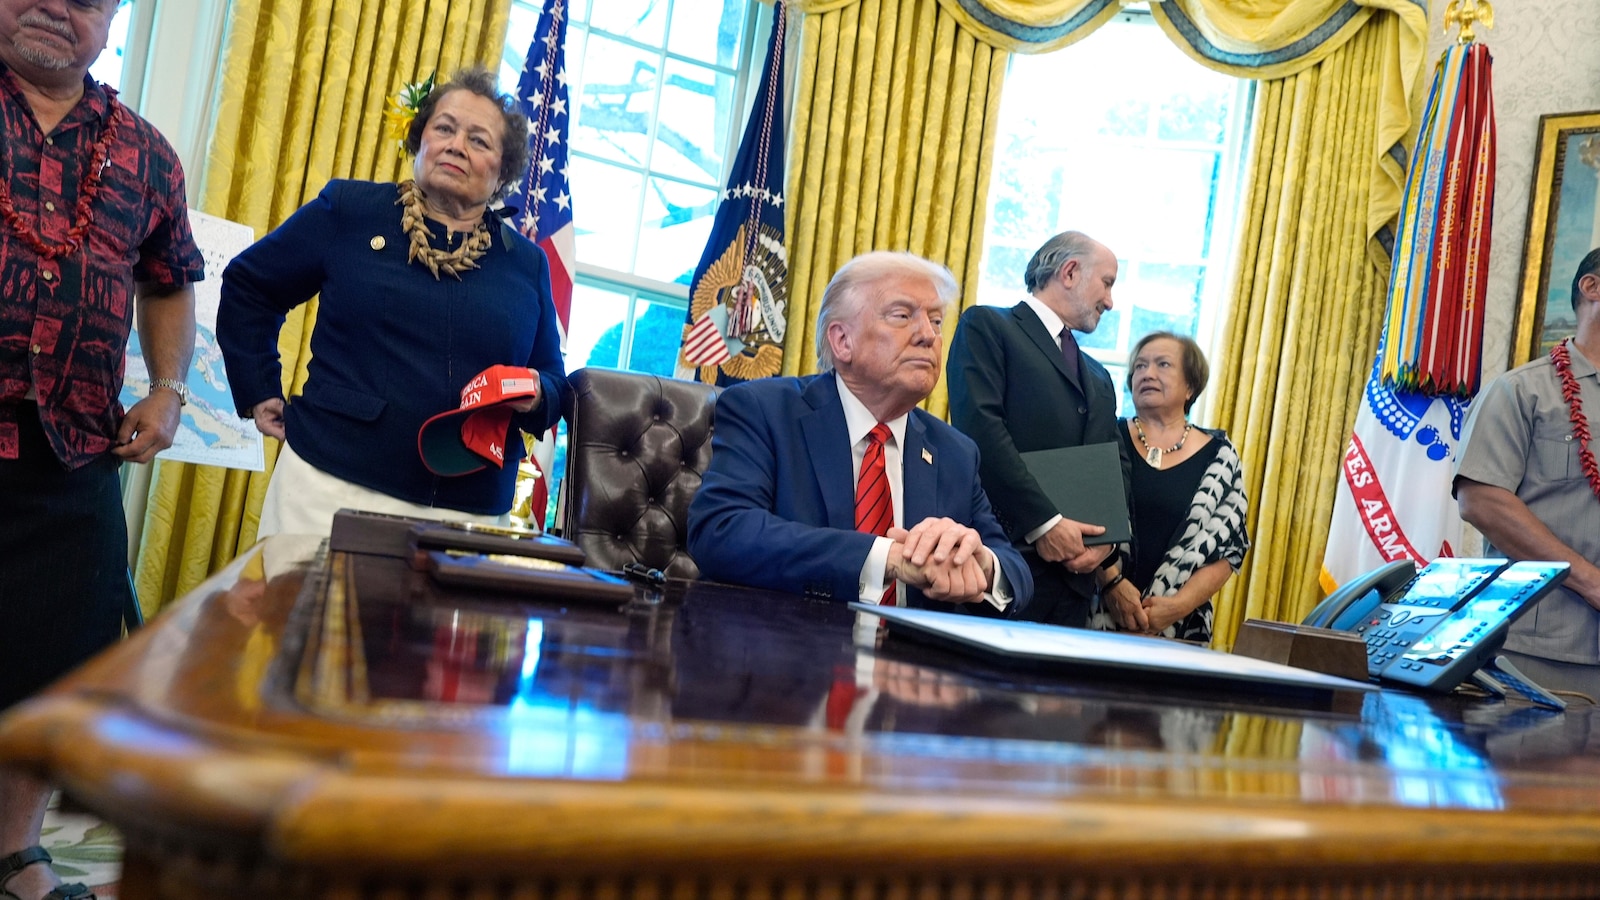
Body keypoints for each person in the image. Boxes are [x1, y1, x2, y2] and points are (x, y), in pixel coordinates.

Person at [0, 0, 204, 896]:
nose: (57, 7)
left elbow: (170, 281)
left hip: (72, 452)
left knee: (52, 669)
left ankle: (14, 850)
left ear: (113, 17)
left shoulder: (148, 153)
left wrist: (166, 389)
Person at [218, 67, 567, 537]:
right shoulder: (350, 209)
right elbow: (250, 286)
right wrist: (259, 387)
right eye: (444, 128)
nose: (456, 146)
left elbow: (553, 382)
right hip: (327, 489)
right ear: (420, 140)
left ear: (504, 171)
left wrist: (537, 392)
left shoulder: (527, 263)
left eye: (478, 140)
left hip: (471, 513)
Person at [687, 251, 1032, 613]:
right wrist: (886, 557)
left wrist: (981, 564)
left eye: (936, 321)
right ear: (842, 341)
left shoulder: (955, 451)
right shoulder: (765, 411)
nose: (928, 336)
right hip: (783, 638)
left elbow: (1015, 571)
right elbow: (721, 530)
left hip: (911, 649)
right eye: (902, 316)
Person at [946, 231, 1130, 627]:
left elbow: (1116, 464)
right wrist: (1044, 524)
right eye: (1107, 283)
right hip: (1003, 569)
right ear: (1070, 272)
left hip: (1075, 591)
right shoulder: (988, 326)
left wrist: (1108, 542)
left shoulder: (1099, 376)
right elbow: (980, 431)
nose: (1110, 301)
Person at [1454, 248, 1600, 695]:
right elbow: (1481, 501)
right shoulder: (1522, 391)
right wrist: (1591, 583)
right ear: (1592, 287)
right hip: (1536, 651)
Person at [1088, 332, 1249, 642]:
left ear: (1190, 386)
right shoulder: (1104, 437)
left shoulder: (1220, 457)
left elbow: (1229, 549)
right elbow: (1079, 518)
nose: (1147, 373)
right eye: (1140, 366)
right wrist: (1111, 585)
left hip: (1180, 629)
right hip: (1095, 618)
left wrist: (1177, 606)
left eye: (1163, 364)